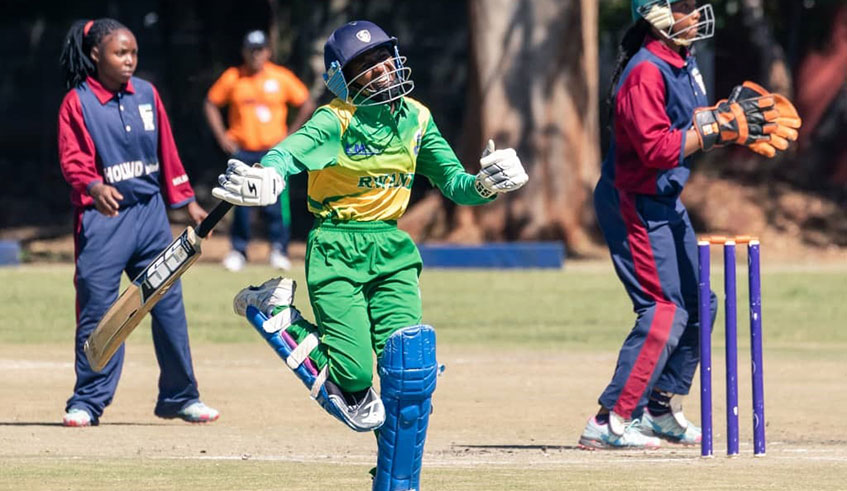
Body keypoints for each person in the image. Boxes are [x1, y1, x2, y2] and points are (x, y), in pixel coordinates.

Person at [212, 20, 528, 489]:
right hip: (336, 248)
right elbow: (286, 154)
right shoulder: (333, 120)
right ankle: (274, 310)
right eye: (365, 64)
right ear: (343, 79)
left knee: (411, 370)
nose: (380, 69)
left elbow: (456, 186)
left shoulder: (417, 119)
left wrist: (486, 185)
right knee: (357, 384)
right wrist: (269, 176)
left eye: (383, 57)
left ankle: (396, 482)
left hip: (392, 249)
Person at [580, 0, 801, 449]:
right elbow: (656, 149)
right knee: (664, 309)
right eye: (684, 6)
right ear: (656, 14)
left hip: (663, 198)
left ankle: (659, 409)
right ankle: (611, 419)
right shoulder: (645, 70)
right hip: (633, 201)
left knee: (702, 304)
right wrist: (720, 129)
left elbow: (685, 126)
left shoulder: (682, 59)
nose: (697, 14)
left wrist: (727, 122)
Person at [58, 18, 220, 427]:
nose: (130, 60)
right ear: (96, 54)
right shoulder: (77, 102)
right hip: (104, 221)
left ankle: (180, 396)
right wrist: (93, 187)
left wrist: (185, 201)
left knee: (168, 305)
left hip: (151, 218)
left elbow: (167, 151)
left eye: (133, 52)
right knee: (98, 312)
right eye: (120, 53)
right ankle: (88, 401)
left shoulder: (147, 94)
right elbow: (73, 158)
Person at [204, 30, 315, 272]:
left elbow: (306, 103)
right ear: (245, 51)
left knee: (276, 202)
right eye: (251, 50)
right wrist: (222, 135)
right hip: (243, 150)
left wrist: (290, 136)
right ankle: (239, 250)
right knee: (239, 202)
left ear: (268, 51)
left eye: (260, 49)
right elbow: (211, 102)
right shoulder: (233, 77)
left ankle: (279, 248)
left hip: (273, 154)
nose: (256, 55)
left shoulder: (281, 77)